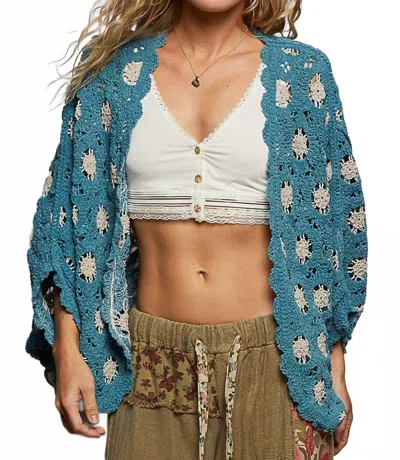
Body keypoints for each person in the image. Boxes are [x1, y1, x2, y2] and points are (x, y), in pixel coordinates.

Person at [25, 1, 368, 459]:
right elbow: (68, 224)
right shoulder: (111, 75)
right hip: (148, 367)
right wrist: (67, 349)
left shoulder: (302, 74)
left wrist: (335, 367)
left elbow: (332, 238)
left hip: (277, 366)